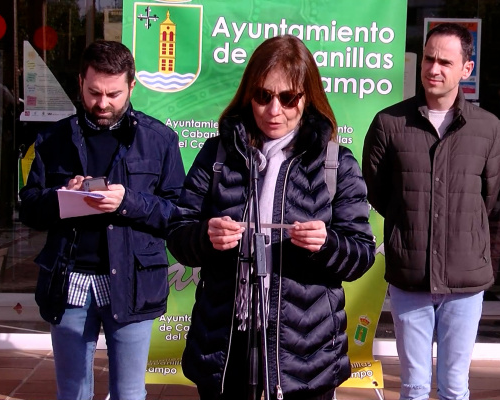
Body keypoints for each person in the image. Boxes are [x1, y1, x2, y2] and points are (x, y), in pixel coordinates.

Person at [166, 35, 376, 400]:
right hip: (226, 343)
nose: (274, 110)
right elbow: (178, 233)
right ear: (249, 95)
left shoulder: (336, 163)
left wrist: (326, 244)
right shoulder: (217, 154)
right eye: (263, 96)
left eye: (288, 98)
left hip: (305, 351)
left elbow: (361, 254)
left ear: (307, 97)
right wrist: (205, 237)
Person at [19, 40, 185, 400]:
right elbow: (29, 208)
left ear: (132, 86)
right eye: (94, 92)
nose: (103, 103)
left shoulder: (159, 140)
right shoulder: (53, 139)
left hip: (132, 282)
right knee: (72, 392)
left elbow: (178, 215)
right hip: (70, 280)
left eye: (113, 94)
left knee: (128, 392)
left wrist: (128, 202)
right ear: (80, 82)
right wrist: (62, 197)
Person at [362, 23, 500, 400]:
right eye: (429, 59)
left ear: (466, 69)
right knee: (413, 386)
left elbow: (487, 198)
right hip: (410, 275)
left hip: (465, 278)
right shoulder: (389, 124)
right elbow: (378, 192)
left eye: (445, 62)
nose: (433, 68)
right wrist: (410, 225)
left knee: (455, 386)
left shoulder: (487, 128)